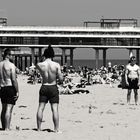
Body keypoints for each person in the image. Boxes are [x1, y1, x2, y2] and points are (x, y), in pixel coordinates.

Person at [36, 45, 63, 133]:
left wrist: (42, 57)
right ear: (52, 55)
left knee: (41, 108)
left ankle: (39, 128)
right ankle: (56, 129)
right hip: (53, 86)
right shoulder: (56, 65)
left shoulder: (40, 65)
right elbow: (61, 78)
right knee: (54, 109)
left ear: (44, 55)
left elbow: (38, 63)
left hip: (44, 86)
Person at [0, 48, 19, 130]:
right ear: (7, 55)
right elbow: (14, 79)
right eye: (12, 55)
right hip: (10, 87)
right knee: (9, 109)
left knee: (3, 108)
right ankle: (7, 128)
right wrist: (17, 91)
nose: (13, 57)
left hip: (2, 87)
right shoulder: (11, 65)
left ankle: (3, 126)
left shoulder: (0, 64)